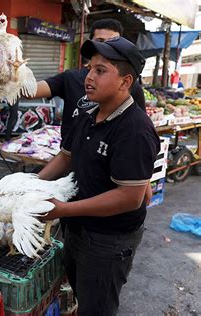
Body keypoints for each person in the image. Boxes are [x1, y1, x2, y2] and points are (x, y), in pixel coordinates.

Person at [38, 37, 160, 315]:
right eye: (90, 68)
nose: (88, 77)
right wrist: (29, 185)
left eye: (100, 71)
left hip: (109, 240)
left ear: (125, 82)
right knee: (84, 295)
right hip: (79, 227)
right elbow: (66, 157)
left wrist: (64, 209)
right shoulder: (87, 112)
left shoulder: (135, 131)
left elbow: (130, 198)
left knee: (99, 306)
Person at [33, 19, 145, 141]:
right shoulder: (71, 78)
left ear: (125, 82)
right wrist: (13, 79)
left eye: (112, 43)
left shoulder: (132, 88)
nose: (106, 48)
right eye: (101, 42)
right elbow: (31, 90)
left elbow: (139, 128)